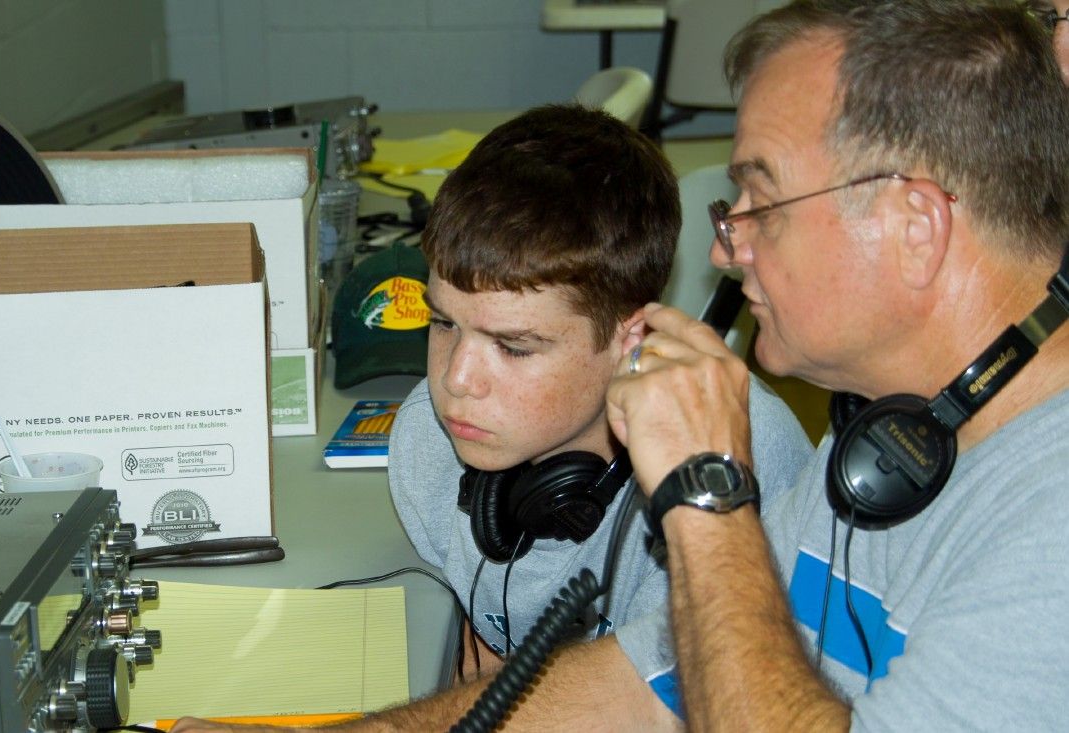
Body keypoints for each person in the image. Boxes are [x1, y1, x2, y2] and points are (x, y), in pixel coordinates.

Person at [172, 105, 813, 731]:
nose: (455, 381)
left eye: (514, 347)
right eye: (443, 322)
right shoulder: (428, 443)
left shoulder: (740, 474)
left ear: (631, 338)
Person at [605, 0, 1069, 730]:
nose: (726, 250)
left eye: (763, 199)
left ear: (916, 227)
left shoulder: (1053, 529)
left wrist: (705, 498)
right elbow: (642, 686)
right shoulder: (891, 427)